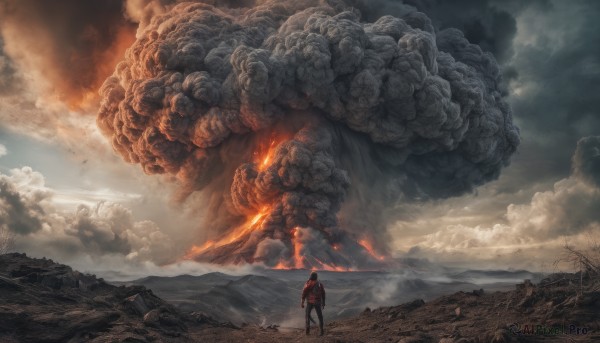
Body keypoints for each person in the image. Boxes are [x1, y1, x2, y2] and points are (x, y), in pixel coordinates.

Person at [301, 271, 325, 336]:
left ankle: (307, 331)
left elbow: (304, 293)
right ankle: (321, 331)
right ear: (316, 277)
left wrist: (302, 302)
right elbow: (323, 293)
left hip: (310, 302)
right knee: (320, 316)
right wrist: (323, 303)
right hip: (317, 302)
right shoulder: (320, 284)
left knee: (307, 315)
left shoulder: (308, 283)